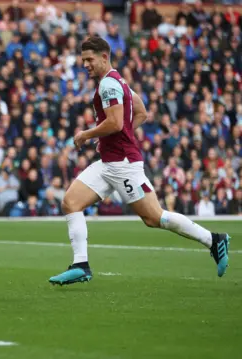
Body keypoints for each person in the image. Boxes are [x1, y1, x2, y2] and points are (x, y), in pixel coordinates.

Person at [49, 36, 230, 285]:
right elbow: (141, 112)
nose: (86, 65)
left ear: (104, 56)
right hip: (109, 162)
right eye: (83, 60)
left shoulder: (108, 85)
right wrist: (119, 137)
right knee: (71, 202)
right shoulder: (117, 81)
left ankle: (214, 240)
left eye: (90, 60)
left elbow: (114, 122)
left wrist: (86, 135)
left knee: (154, 218)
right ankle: (81, 264)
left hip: (122, 164)